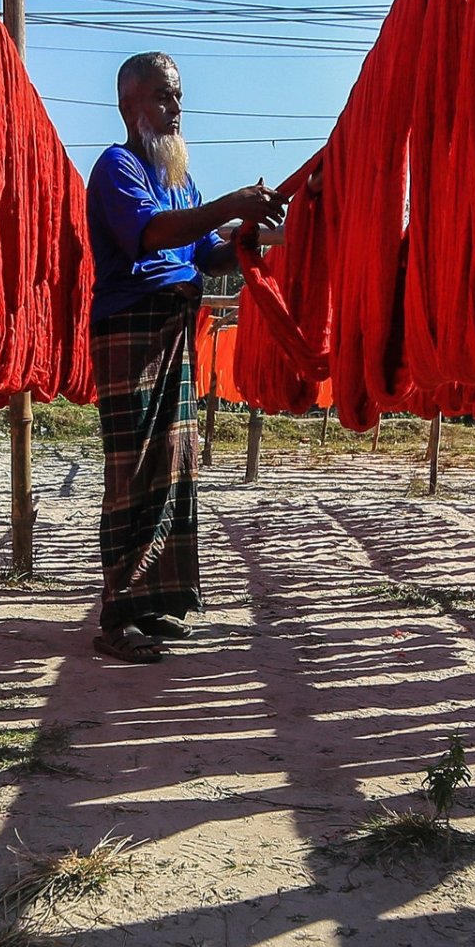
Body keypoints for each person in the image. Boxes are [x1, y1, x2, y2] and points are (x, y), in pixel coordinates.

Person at [84, 52, 283, 664]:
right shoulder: (116, 167)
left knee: (172, 464)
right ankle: (118, 616)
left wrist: (255, 234)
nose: (175, 109)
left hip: (174, 328)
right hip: (132, 330)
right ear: (130, 105)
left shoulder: (179, 180)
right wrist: (231, 205)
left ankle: (154, 601)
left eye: (178, 97)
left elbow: (208, 253)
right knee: (134, 469)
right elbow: (152, 235)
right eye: (163, 97)